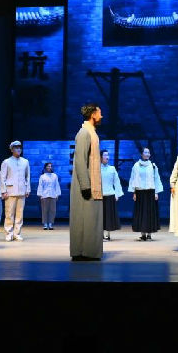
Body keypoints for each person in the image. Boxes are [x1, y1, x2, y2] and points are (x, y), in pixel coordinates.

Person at [70, 103, 104, 261]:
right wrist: (85, 186)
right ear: (93, 114)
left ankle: (89, 251)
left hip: (92, 182)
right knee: (83, 219)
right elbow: (79, 161)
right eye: (99, 113)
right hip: (85, 185)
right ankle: (81, 251)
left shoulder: (91, 132)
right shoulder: (84, 133)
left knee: (91, 220)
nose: (101, 116)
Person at [129, 147, 163, 241]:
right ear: (141, 154)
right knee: (141, 213)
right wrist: (134, 192)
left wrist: (156, 192)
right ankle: (143, 234)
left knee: (149, 213)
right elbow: (133, 179)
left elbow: (156, 179)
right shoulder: (136, 165)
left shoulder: (153, 166)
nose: (147, 154)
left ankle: (149, 234)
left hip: (150, 192)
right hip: (140, 192)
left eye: (148, 152)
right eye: (145, 152)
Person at [1, 140, 30, 242]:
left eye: (19, 148)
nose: (18, 149)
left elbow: (27, 177)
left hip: (22, 190)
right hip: (10, 191)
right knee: (9, 214)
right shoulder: (6, 162)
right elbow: (2, 177)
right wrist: (3, 191)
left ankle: (17, 233)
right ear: (12, 149)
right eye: (16, 148)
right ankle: (9, 233)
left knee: (19, 214)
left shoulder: (25, 162)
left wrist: (28, 189)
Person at [100, 150, 124, 241]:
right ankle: (100, 234)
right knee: (101, 216)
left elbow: (116, 181)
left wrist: (117, 194)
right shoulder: (97, 169)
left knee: (109, 216)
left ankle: (108, 235)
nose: (107, 157)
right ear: (101, 157)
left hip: (110, 194)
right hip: (100, 196)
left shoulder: (112, 168)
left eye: (108, 155)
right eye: (105, 155)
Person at [36, 162, 61, 230]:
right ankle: (45, 224)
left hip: (53, 194)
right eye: (48, 166)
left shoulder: (54, 176)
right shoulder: (42, 176)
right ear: (45, 167)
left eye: (50, 166)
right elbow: (40, 185)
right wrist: (40, 194)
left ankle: (50, 223)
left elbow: (57, 185)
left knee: (52, 210)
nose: (49, 167)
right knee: (44, 210)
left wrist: (57, 194)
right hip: (44, 195)